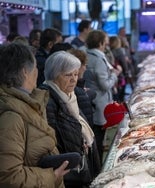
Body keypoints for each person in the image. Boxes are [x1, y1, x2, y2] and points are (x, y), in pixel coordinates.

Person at [0, 43, 69, 188]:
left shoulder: (27, 102)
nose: (37, 71)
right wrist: (52, 176)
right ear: (25, 72)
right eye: (36, 66)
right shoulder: (11, 116)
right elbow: (9, 176)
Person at [40, 51, 100, 187]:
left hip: (80, 162)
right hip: (68, 172)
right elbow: (51, 141)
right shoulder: (47, 100)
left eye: (76, 74)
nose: (74, 79)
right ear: (54, 75)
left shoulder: (70, 95)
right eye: (68, 75)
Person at [83, 30, 121, 162]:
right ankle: (98, 166)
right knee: (98, 137)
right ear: (100, 43)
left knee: (95, 136)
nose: (106, 44)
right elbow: (104, 85)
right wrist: (116, 74)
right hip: (99, 103)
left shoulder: (88, 55)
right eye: (105, 42)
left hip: (92, 102)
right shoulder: (98, 59)